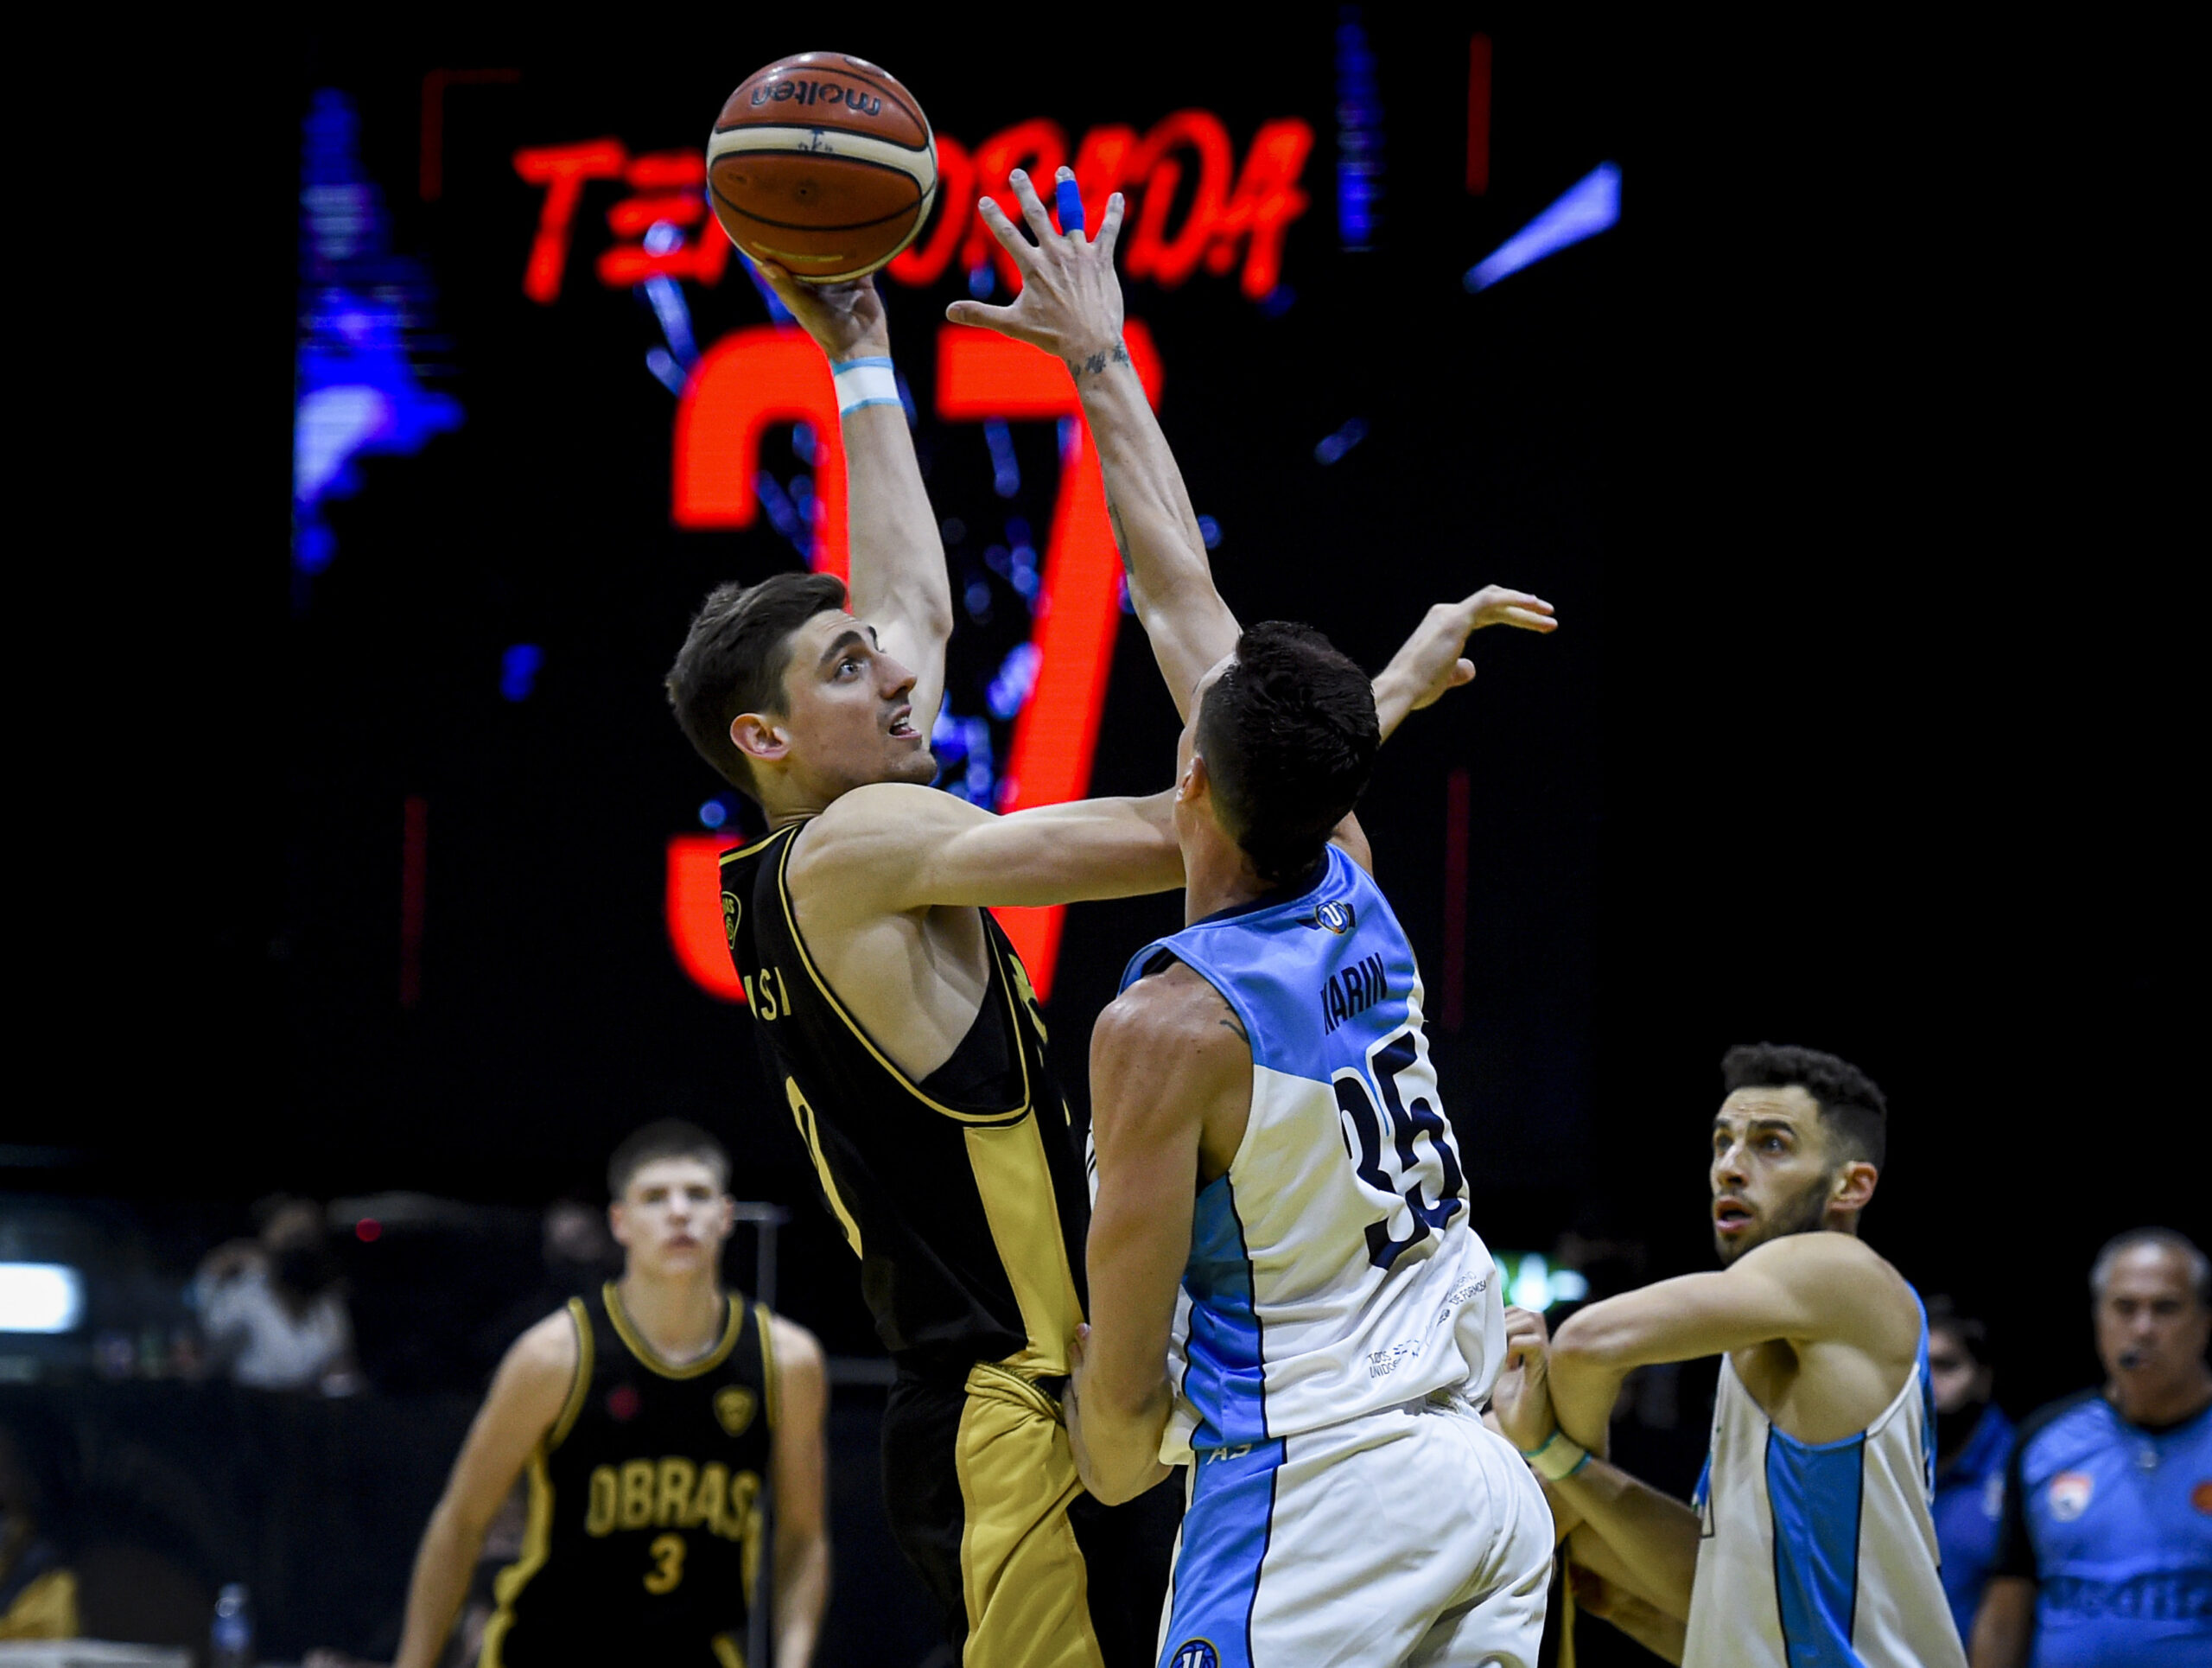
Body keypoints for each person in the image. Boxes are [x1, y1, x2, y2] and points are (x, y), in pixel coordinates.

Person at [666, 168, 1518, 1668]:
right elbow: (1187, 816)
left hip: (1105, 1395)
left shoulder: (861, 826)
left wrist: (860, 357)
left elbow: (915, 602)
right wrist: (1367, 703)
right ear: (765, 740)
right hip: (1012, 1404)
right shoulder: (850, 850)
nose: (897, 669)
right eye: (849, 669)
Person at [1065, 605, 1559, 1667]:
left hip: (1317, 1499)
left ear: (1191, 775)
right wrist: (1404, 676)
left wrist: (1094, 1443)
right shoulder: (1353, 881)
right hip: (1482, 1483)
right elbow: (1178, 587)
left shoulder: (1166, 1030)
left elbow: (1123, 1412)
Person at [1491, 1043, 1966, 1667]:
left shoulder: (1839, 1269)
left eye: (1771, 1145)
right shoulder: (1770, 1339)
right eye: (1722, 1143)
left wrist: (1546, 1461)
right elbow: (1712, 1587)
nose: (1730, 1168)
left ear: (1851, 1186)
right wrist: (1565, 1471)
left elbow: (1587, 1344)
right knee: (1594, 1562)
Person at [391, 1121, 828, 1668]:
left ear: (726, 1216)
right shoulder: (553, 1357)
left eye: (697, 1195)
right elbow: (460, 1523)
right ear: (620, 1222)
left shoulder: (786, 1361)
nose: (678, 1212)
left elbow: (802, 1538)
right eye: (655, 1198)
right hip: (548, 1650)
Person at [1969, 1227, 2212, 1668]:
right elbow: (2007, 1608)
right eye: (2125, 1308)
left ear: (2204, 1321)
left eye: (2166, 1308)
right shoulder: (2045, 1442)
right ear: (2099, 1318)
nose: (2143, 1329)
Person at [192, 1195, 361, 1394]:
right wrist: (221, 1264)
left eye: (307, 1237)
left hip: (309, 1406)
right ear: (267, 1239)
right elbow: (210, 1334)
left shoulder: (328, 1304)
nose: (299, 1247)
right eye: (291, 1238)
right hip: (252, 1403)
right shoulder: (243, 1295)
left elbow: (338, 1368)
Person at [1926, 1296, 2013, 1646]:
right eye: (1917, 1369)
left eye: (1945, 1366)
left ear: (1983, 1379)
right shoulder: (1877, 1466)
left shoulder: (2022, 1469)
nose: (1927, 1384)